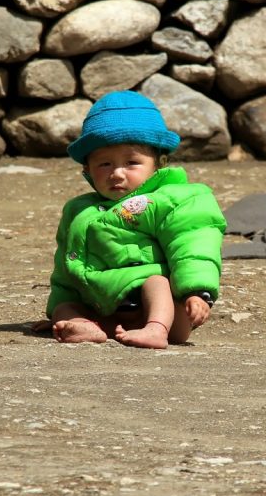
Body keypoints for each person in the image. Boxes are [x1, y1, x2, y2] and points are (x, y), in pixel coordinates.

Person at [39, 90, 226, 349]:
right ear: (87, 170)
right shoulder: (79, 211)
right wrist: (60, 309)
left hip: (167, 311)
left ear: (158, 164)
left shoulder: (174, 199)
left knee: (157, 282)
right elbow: (67, 265)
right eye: (104, 164)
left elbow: (194, 242)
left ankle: (155, 330)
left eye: (131, 162)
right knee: (66, 306)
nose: (117, 173)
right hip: (105, 307)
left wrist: (197, 291)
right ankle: (84, 326)